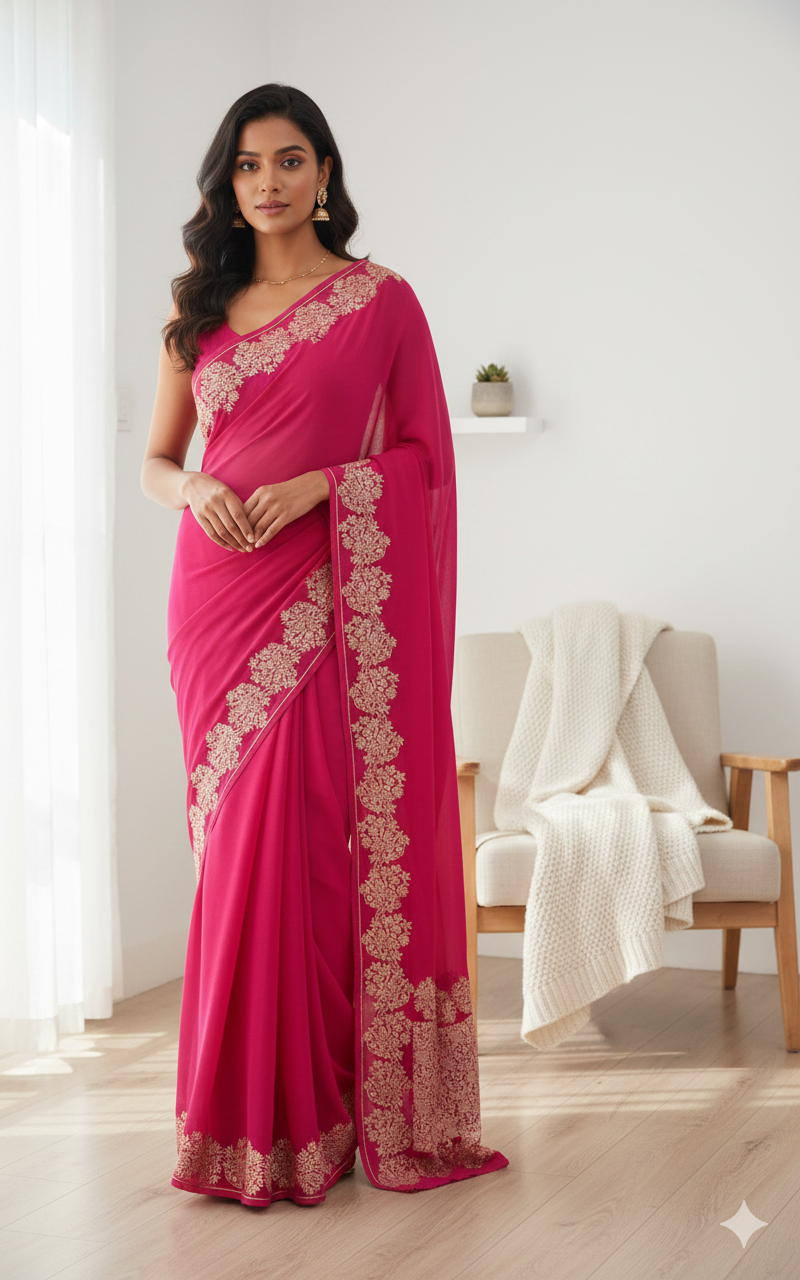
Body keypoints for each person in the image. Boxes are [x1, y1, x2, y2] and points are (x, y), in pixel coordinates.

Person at [141, 82, 507, 1206]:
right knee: (234, 856)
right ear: (226, 182)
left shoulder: (378, 300)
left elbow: (424, 464)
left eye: (289, 161)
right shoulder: (194, 311)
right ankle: (241, 1122)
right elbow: (156, 459)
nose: (267, 183)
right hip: (215, 598)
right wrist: (195, 483)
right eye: (247, 166)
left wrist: (318, 487)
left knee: (297, 846)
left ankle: (319, 1111)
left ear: (325, 174)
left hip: (319, 589)